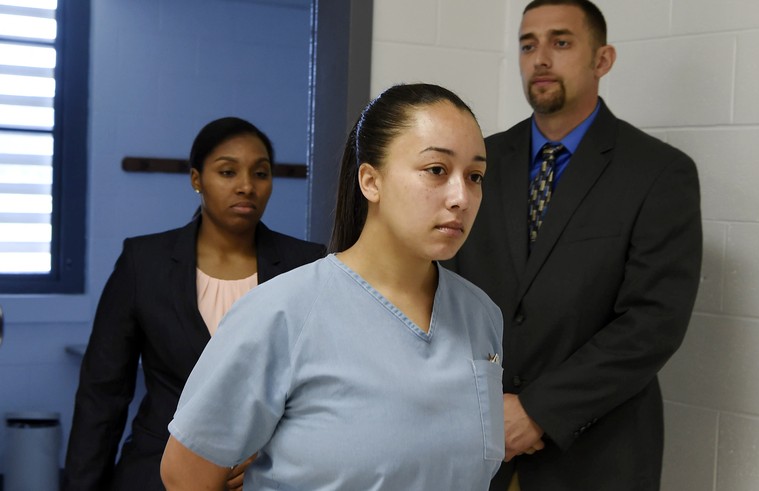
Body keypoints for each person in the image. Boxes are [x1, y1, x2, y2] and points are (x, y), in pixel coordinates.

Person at [159, 83, 505, 490]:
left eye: (475, 176)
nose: (461, 197)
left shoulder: (481, 316)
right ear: (370, 181)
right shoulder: (282, 312)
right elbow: (186, 477)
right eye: (436, 171)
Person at [445, 1, 703, 489]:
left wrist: (538, 410)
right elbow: (439, 287)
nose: (540, 58)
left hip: (595, 454)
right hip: (473, 441)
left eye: (560, 42)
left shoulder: (658, 173)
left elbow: (653, 322)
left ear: (602, 60)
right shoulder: (480, 160)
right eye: (528, 45)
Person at [64, 117, 326, 491]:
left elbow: (319, 389)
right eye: (227, 171)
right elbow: (102, 394)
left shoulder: (306, 264)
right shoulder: (144, 262)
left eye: (261, 173)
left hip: (268, 474)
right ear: (196, 179)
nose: (246, 186)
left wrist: (268, 456)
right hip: (158, 471)